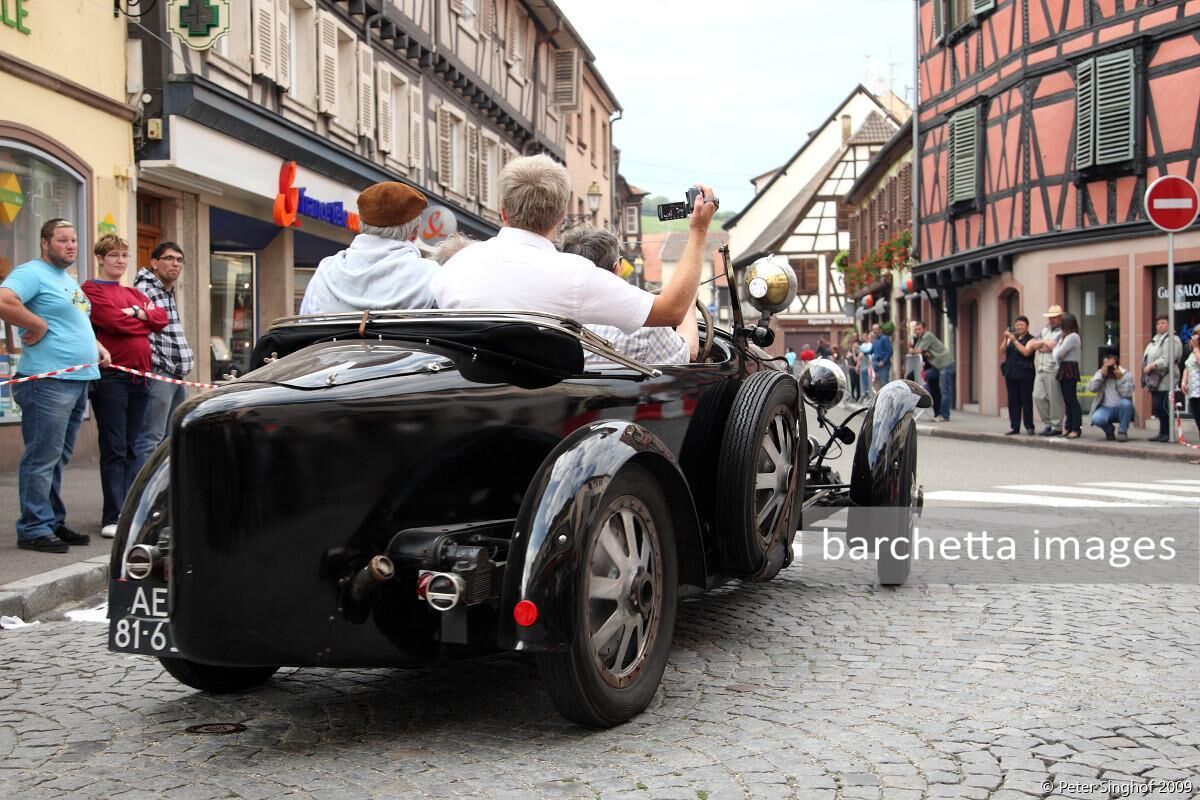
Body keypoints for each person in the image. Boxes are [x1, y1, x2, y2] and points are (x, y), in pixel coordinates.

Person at [432, 154, 717, 336]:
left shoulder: (455, 266)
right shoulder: (575, 275)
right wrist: (699, 230)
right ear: (561, 215)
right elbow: (671, 310)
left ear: (503, 211)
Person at [0, 219, 111, 553]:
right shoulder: (32, 272)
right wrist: (35, 322)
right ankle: (33, 528)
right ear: (45, 243)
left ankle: (51, 520)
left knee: (57, 456)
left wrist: (97, 348)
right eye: (63, 240)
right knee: (42, 456)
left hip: (77, 378)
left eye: (75, 240)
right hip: (48, 380)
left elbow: (77, 322)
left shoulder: (67, 281)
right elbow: (4, 300)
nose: (71, 245)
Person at [82, 235, 168, 537]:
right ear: (101, 259)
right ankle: (112, 514)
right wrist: (140, 318)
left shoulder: (132, 292)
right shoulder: (91, 289)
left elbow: (161, 319)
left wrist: (139, 314)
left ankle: (132, 511)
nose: (120, 261)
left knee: (135, 447)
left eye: (124, 255)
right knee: (115, 447)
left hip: (140, 376)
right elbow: (111, 322)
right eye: (114, 255)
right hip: (112, 379)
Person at [560, 226, 697, 367]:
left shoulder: (551, 318)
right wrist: (689, 305)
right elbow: (690, 353)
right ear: (616, 267)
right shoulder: (646, 325)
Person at [301, 182, 437, 313]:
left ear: (363, 222)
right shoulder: (430, 274)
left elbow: (305, 322)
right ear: (414, 231)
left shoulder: (326, 270)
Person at [134, 242, 195, 460]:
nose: (175, 264)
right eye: (169, 258)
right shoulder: (145, 289)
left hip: (175, 375)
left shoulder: (165, 291)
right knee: (150, 439)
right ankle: (145, 493)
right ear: (154, 263)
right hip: (160, 372)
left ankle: (165, 490)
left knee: (170, 438)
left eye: (179, 260)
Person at [1142, 314, 1182, 442]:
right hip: (1154, 380)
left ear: (1170, 324)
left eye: (1163, 323)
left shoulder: (1172, 339)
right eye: (1158, 323)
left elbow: (1167, 359)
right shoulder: (1156, 340)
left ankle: (1168, 433)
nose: (1160, 325)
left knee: (1163, 406)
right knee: (1157, 407)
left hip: (1166, 379)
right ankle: (1162, 432)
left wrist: (1153, 365)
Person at [911, 320, 955, 421]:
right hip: (937, 366)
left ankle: (944, 415)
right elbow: (917, 349)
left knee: (945, 390)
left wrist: (916, 351)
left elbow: (917, 351)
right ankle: (929, 398)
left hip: (945, 363)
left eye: (919, 329)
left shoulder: (927, 335)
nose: (918, 331)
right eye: (916, 330)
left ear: (925, 329)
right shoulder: (920, 338)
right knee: (926, 376)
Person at [1031, 305, 1065, 436]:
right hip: (1040, 367)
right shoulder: (1045, 329)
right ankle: (1047, 423)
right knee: (1038, 396)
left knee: (1054, 398)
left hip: (1052, 367)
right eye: (1050, 317)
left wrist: (1041, 344)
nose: (1051, 320)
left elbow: (1052, 346)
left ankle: (1056, 426)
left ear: (1060, 318)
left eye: (1054, 317)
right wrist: (1042, 344)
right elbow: (1033, 343)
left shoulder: (1062, 331)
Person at [1000, 315, 1036, 435]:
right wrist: (1006, 338)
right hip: (1011, 373)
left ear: (1027, 326)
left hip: (1025, 374)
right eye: (1017, 325)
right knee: (1013, 401)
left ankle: (1029, 426)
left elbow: (1026, 352)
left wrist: (1014, 340)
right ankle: (1014, 426)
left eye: (1021, 325)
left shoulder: (1031, 339)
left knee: (1026, 400)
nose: (1019, 327)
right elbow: (1002, 350)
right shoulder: (1011, 338)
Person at [1088, 349, 1135, 442]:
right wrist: (1101, 375)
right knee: (1096, 418)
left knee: (1126, 404)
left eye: (1110, 366)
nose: (1109, 368)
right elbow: (1091, 388)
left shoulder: (1126, 375)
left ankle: (1122, 431)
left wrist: (1119, 379)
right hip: (1105, 408)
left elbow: (1127, 394)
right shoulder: (1100, 374)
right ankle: (1109, 430)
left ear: (1116, 365)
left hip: (1120, 408)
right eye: (1106, 365)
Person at [1053, 312, 1083, 439]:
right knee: (1067, 400)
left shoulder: (1073, 337)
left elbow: (1057, 354)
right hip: (1064, 367)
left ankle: (1076, 427)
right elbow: (1056, 350)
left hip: (1069, 367)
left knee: (1071, 399)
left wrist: (1057, 347)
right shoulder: (1063, 336)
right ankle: (1069, 425)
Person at [1181, 333, 1200, 442]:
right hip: (1194, 392)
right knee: (1198, 422)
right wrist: (1184, 382)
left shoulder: (1197, 351)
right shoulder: (1192, 354)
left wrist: (1196, 348)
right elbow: (1187, 367)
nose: (1192, 339)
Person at [870, 322, 893, 388]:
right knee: (875, 381)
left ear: (880, 330)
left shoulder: (884, 338)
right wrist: (862, 352)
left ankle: (888, 397)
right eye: (873, 329)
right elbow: (871, 351)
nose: (875, 331)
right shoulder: (875, 340)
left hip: (884, 364)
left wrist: (883, 361)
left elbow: (890, 351)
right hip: (876, 363)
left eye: (876, 329)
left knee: (884, 382)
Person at [857, 332, 874, 402]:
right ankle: (866, 392)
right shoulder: (862, 345)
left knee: (871, 379)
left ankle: (871, 394)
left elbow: (870, 353)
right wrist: (857, 365)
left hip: (871, 364)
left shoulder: (871, 344)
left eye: (865, 336)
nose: (864, 338)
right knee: (864, 374)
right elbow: (859, 355)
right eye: (863, 337)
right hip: (864, 365)